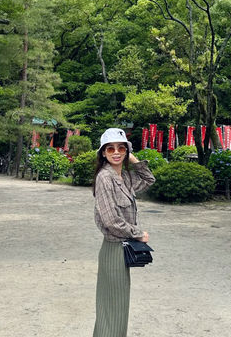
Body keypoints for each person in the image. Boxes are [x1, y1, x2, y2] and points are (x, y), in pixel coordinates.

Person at [92, 128, 155, 337]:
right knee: (112, 308)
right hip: (113, 249)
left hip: (122, 250)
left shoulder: (125, 177)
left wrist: (134, 158)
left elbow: (148, 180)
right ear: (103, 153)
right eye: (110, 149)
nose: (116, 152)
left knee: (118, 307)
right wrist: (137, 233)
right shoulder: (104, 178)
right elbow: (111, 221)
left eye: (121, 148)